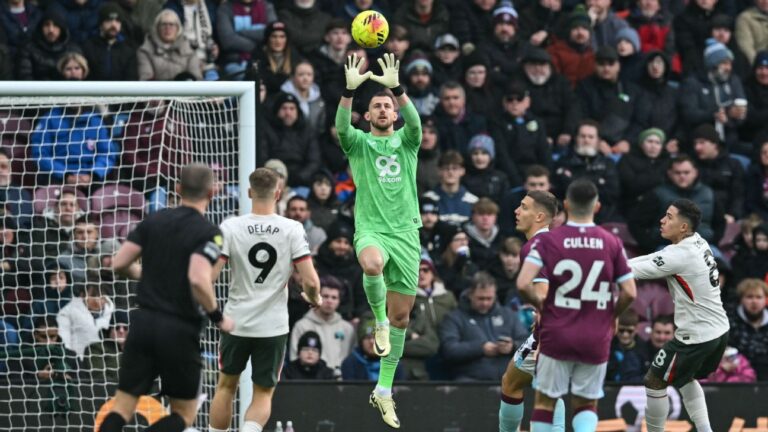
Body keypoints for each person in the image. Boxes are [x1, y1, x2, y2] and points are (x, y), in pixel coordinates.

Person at [98, 164, 235, 432]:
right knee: (184, 414)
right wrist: (218, 317)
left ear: (178, 189)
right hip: (179, 329)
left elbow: (119, 262)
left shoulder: (154, 220)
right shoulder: (210, 232)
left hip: (143, 323)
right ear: (212, 192)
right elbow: (198, 278)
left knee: (122, 407)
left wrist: (147, 275)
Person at [336, 52, 422, 428]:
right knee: (372, 264)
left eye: (388, 105)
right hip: (371, 230)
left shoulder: (407, 141)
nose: (384, 109)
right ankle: (378, 320)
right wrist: (348, 92)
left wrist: (399, 89)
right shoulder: (357, 144)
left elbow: (416, 122)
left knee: (403, 317)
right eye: (377, 106)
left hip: (406, 235)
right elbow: (341, 128)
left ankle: (383, 391)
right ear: (367, 116)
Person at [517, 179, 636, 432]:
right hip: (595, 335)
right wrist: (611, 314)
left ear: (567, 205)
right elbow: (630, 292)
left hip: (558, 332)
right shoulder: (612, 242)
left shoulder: (547, 241)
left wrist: (542, 304)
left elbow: (523, 284)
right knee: (585, 405)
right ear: (597, 206)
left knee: (545, 402)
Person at [207, 167, 321, 432]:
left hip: (235, 321)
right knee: (263, 392)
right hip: (272, 326)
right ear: (278, 194)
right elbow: (311, 281)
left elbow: (209, 276)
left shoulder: (230, 226)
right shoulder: (292, 228)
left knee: (225, 386)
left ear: (249, 192)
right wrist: (312, 297)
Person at [628, 198, 730, 432]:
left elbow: (630, 270)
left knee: (654, 380)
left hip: (696, 336)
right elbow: (654, 258)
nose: (662, 220)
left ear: (684, 227)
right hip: (719, 331)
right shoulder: (698, 242)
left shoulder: (679, 255)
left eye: (669, 217)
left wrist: (604, 261)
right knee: (684, 377)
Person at [499, 189, 565, 432]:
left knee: (547, 391)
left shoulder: (534, 247)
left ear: (539, 217)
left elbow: (544, 297)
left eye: (524, 207)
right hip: (575, 325)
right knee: (511, 381)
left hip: (553, 333)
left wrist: (543, 343)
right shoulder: (556, 243)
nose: (517, 211)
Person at [439, 271, 528, 381]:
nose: (485, 303)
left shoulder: (508, 315)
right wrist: (480, 349)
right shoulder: (454, 318)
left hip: (508, 379)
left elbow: (528, 343)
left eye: (489, 298)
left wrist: (512, 346)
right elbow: (449, 350)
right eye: (481, 298)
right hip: (470, 381)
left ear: (495, 295)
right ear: (470, 294)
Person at [289, 275, 355, 371]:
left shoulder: (347, 328)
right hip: (311, 381)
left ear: (339, 301)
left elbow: (351, 359)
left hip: (340, 381)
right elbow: (294, 358)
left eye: (334, 297)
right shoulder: (302, 326)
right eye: (325, 296)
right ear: (317, 297)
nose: (329, 301)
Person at [728, 278, 768, 380]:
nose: (754, 301)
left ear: (765, 300)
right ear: (741, 299)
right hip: (738, 377)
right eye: (749, 297)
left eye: (759, 297)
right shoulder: (729, 321)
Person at [606, 309, 650, 382]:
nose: (625, 335)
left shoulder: (644, 348)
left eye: (630, 331)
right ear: (616, 327)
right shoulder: (609, 346)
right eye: (621, 330)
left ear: (636, 329)